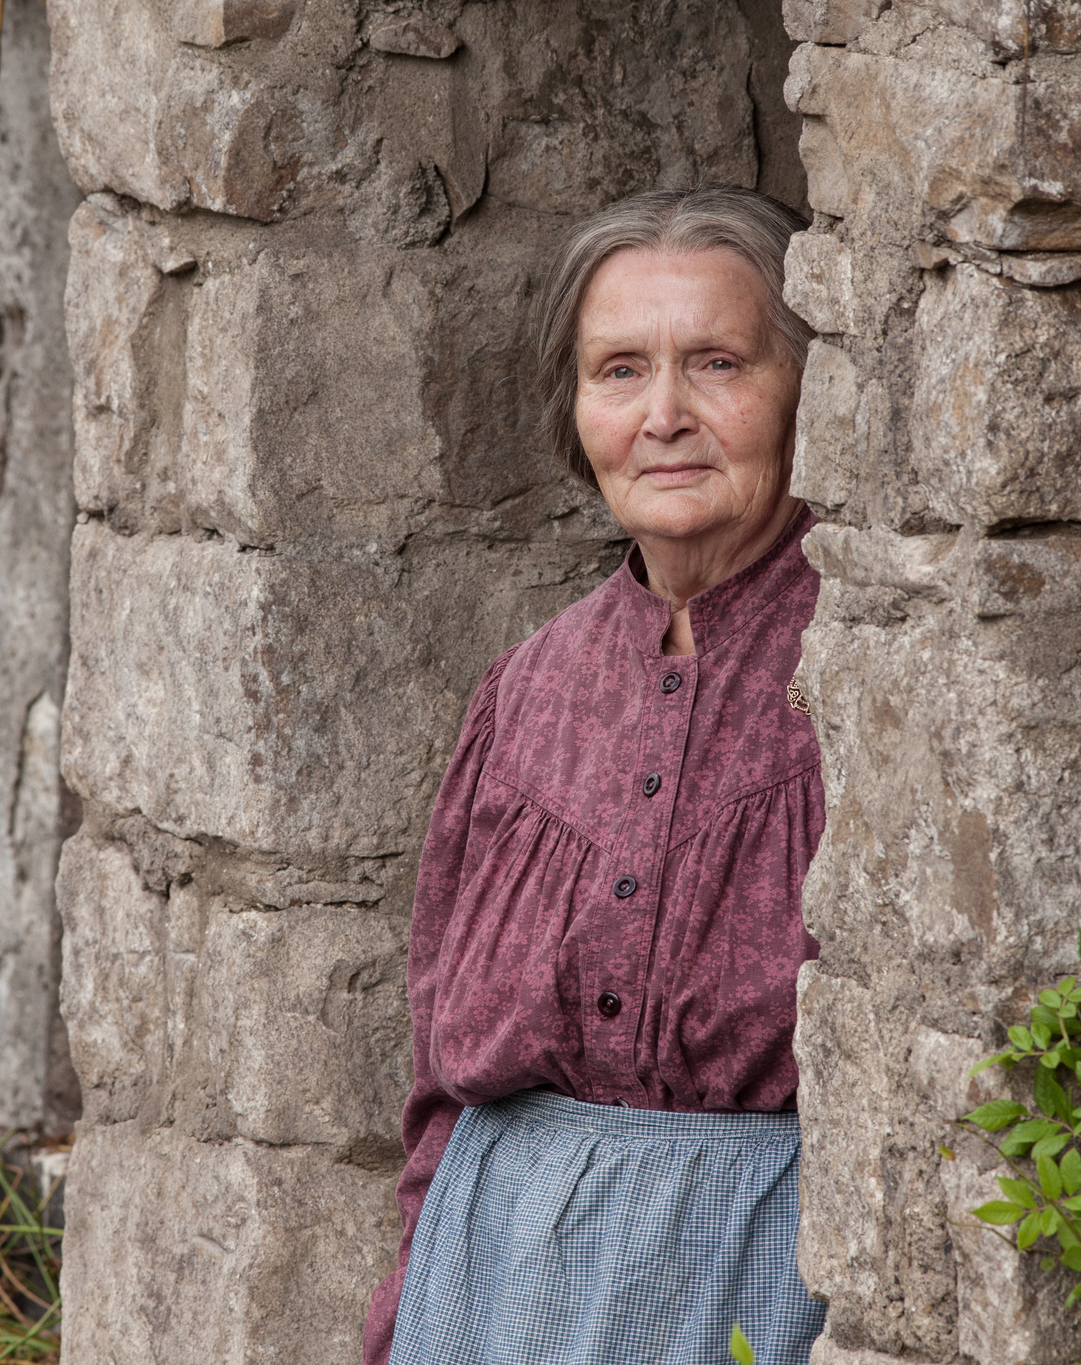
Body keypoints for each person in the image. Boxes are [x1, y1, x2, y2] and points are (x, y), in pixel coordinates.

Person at [364, 185, 829, 1365]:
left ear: (802, 389)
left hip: (757, 1278)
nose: (663, 414)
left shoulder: (864, 669)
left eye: (716, 362)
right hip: (492, 1282)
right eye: (618, 370)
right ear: (575, 411)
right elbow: (439, 1089)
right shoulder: (526, 689)